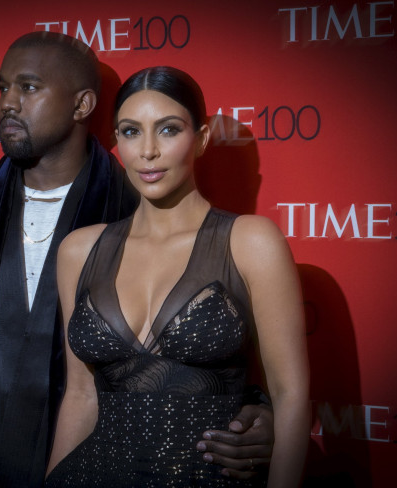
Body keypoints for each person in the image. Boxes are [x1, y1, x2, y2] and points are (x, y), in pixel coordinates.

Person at [0, 32, 275, 488]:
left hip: (95, 470)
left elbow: (213, 341)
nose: (8, 102)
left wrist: (257, 414)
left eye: (28, 87)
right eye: (2, 87)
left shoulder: (141, 206)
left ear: (83, 104)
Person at [45, 66, 309, 487]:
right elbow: (79, 395)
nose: (148, 150)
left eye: (168, 129)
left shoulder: (250, 242)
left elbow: (290, 397)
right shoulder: (79, 251)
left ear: (201, 139)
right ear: (116, 143)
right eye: (131, 132)